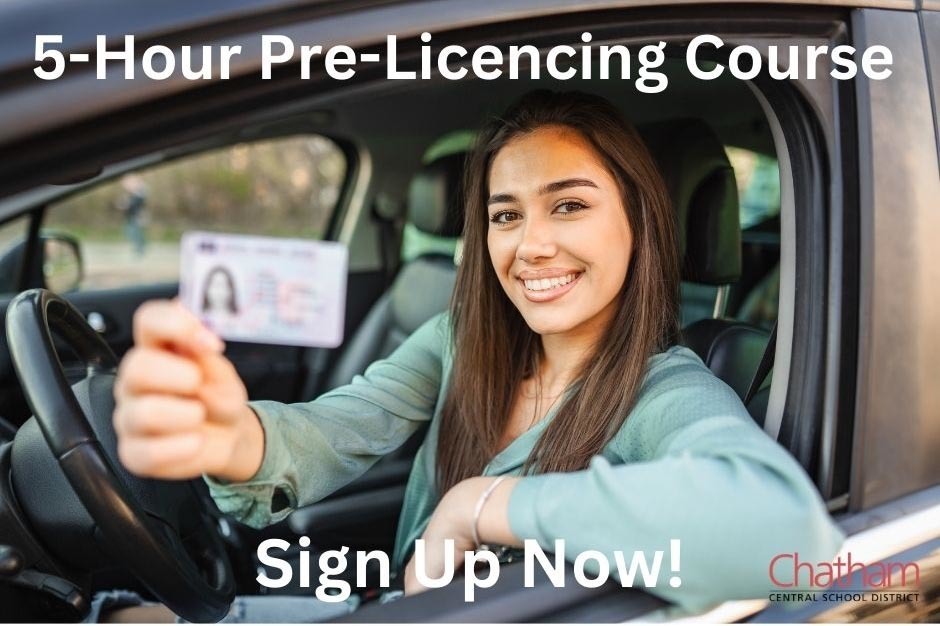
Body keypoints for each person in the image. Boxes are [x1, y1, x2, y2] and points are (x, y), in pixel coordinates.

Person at [98, 90, 844, 622]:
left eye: (570, 204)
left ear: (640, 223)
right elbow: (338, 426)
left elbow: (789, 539)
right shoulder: (461, 340)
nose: (531, 245)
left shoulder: (665, 390)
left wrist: (480, 507)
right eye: (505, 215)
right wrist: (234, 440)